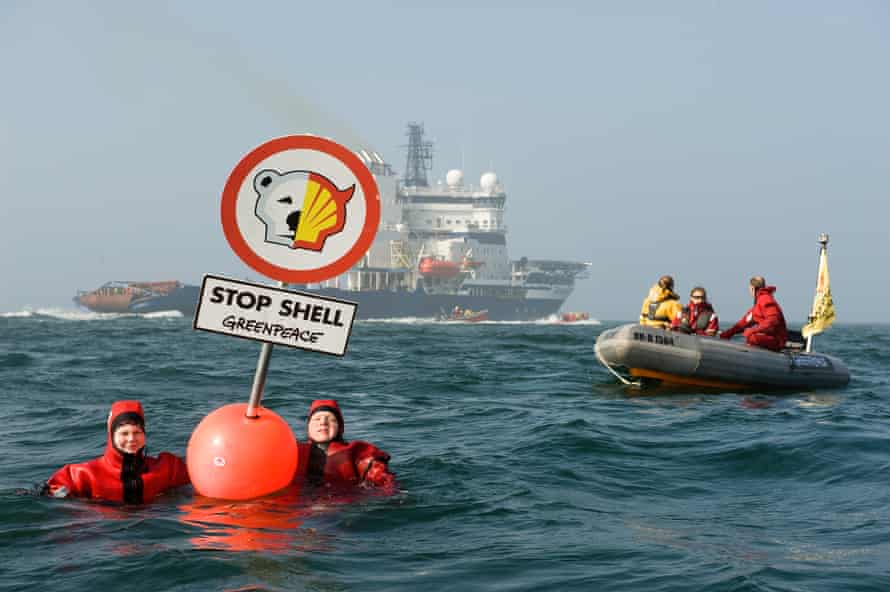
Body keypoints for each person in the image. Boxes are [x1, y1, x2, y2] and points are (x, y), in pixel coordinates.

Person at [44, 400, 190, 503]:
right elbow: (51, 497)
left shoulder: (167, 468)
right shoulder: (82, 475)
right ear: (111, 435)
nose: (132, 438)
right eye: (124, 433)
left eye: (137, 432)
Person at [294, 399, 395, 489]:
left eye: (331, 420)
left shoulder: (357, 454)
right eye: (317, 419)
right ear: (308, 427)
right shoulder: (293, 453)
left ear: (339, 428)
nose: (323, 422)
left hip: (343, 504)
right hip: (299, 504)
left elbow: (384, 481)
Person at [719, 276, 788, 351]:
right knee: (749, 336)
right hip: (770, 338)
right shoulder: (759, 303)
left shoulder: (766, 300)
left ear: (752, 288)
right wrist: (726, 334)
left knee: (752, 337)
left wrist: (753, 330)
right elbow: (744, 322)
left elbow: (773, 320)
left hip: (777, 341)